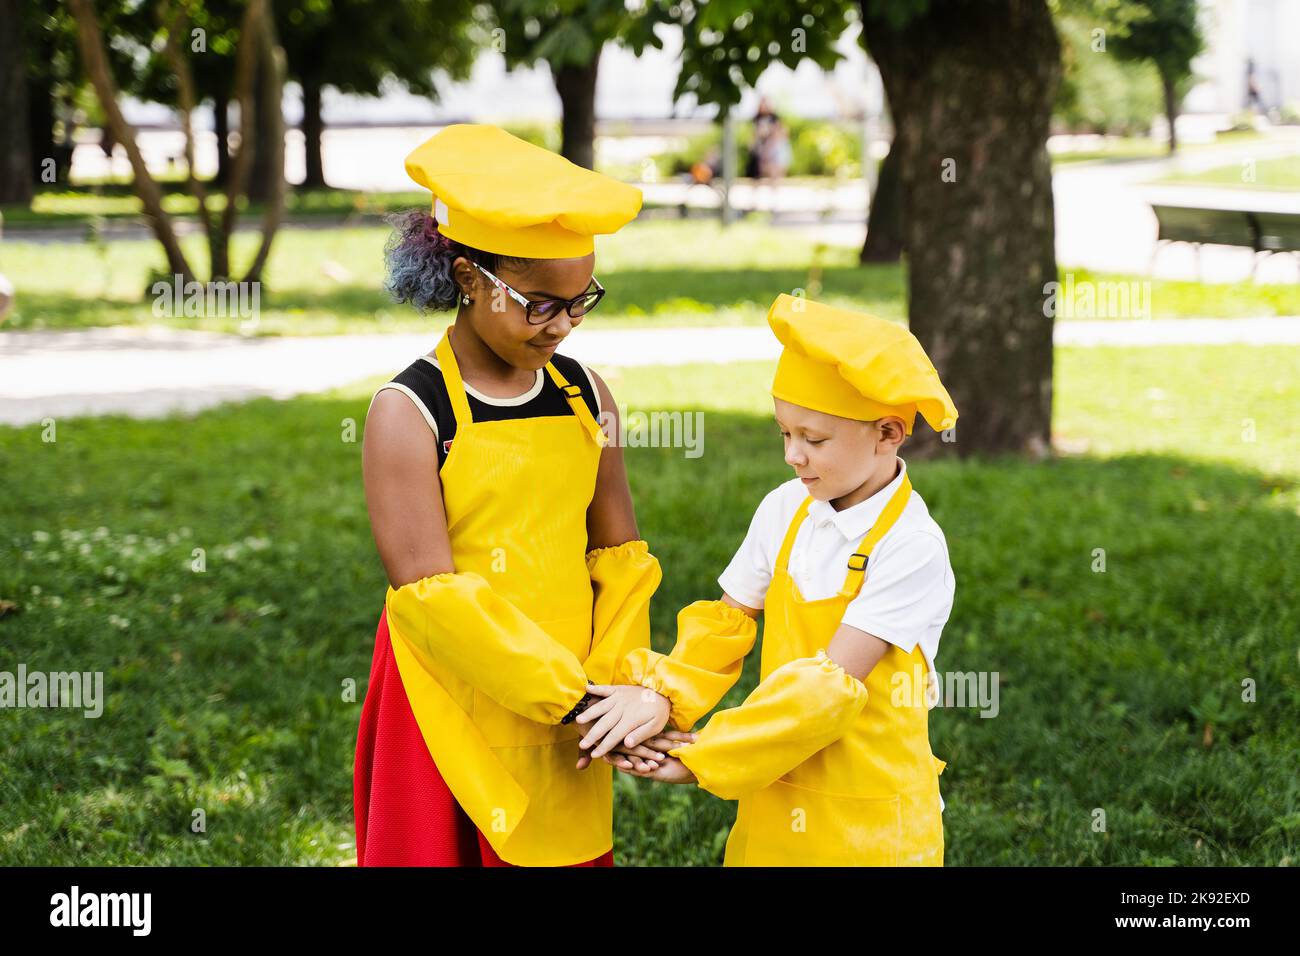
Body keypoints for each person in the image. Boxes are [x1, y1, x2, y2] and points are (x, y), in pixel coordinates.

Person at [353, 124, 671, 867]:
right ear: (470, 280)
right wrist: (572, 697)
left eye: (580, 301)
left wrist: (617, 686)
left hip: (569, 697)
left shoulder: (587, 395)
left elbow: (618, 554)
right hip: (450, 696)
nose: (562, 324)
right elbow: (430, 596)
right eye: (539, 304)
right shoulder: (409, 412)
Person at [589, 293, 959, 866]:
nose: (793, 456)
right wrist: (661, 697)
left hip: (867, 816)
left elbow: (830, 686)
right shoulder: (786, 509)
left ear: (888, 432)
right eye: (784, 433)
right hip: (777, 786)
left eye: (814, 439)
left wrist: (704, 756)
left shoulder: (910, 547)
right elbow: (728, 621)